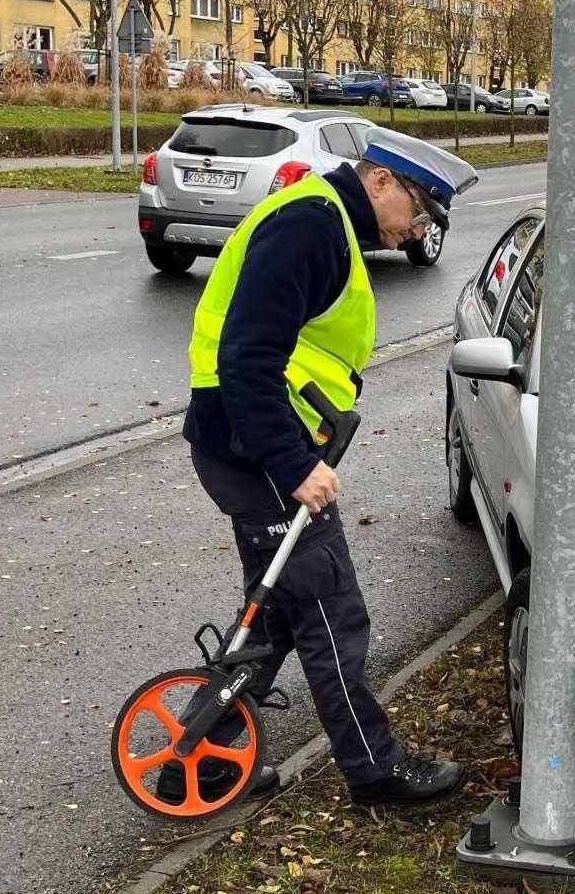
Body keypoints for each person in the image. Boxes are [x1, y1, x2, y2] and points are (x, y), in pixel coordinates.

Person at [161, 128, 478, 808]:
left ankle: (203, 763)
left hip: (254, 448)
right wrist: (295, 464)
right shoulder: (309, 225)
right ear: (382, 181)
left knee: (275, 615)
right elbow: (247, 358)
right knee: (333, 612)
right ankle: (375, 771)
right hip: (258, 455)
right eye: (420, 211)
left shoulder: (327, 220)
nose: (419, 230)